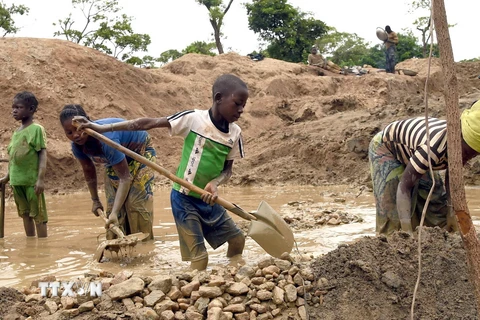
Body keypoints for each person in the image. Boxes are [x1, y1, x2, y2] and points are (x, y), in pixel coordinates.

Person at [75, 74, 247, 271]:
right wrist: (101, 127)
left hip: (209, 199)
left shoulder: (235, 134)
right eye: (237, 104)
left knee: (237, 240)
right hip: (184, 200)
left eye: (243, 105)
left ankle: (232, 272)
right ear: (218, 98)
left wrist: (215, 183)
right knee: (200, 259)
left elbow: (228, 170)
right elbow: (147, 123)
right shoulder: (194, 119)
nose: (241, 110)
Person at [369, 100, 480, 235]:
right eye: (468, 151)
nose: (470, 156)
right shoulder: (432, 149)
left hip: (417, 150)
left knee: (437, 208)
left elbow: (452, 179)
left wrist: (452, 215)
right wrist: (406, 232)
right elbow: (404, 186)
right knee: (392, 214)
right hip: (388, 148)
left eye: (476, 153)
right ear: (459, 138)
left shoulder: (459, 149)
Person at [59, 105, 156, 240]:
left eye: (78, 129)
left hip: (139, 152)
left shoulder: (106, 140)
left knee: (136, 205)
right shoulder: (77, 147)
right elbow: (89, 171)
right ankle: (118, 246)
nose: (75, 135)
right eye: (69, 133)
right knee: (112, 211)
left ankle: (144, 248)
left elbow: (125, 178)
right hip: (114, 161)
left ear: (87, 121)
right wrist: (95, 200)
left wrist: (115, 213)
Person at [0, 92, 48, 237]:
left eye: (19, 107)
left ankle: (42, 247)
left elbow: (42, 154)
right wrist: (7, 178)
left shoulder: (36, 129)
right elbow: (13, 159)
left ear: (31, 109)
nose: (14, 110)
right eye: (13, 107)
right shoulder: (15, 133)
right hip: (17, 182)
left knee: (38, 216)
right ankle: (31, 241)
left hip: (31, 183)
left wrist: (40, 179)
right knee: (25, 214)